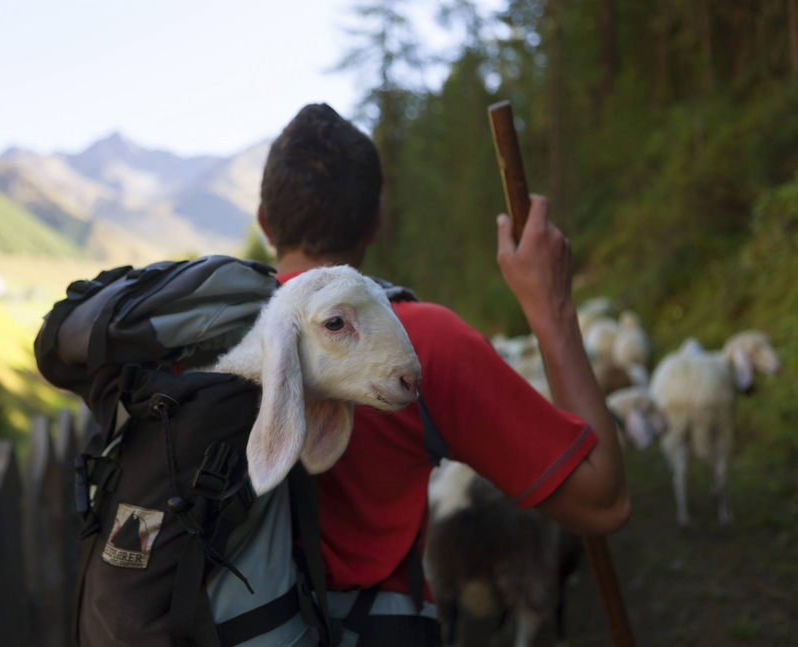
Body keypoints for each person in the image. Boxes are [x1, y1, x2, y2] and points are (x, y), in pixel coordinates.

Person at [256, 104, 630, 638]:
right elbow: (604, 501)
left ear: (265, 223)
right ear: (376, 221)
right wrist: (552, 308)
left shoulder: (211, 339)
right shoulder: (422, 342)